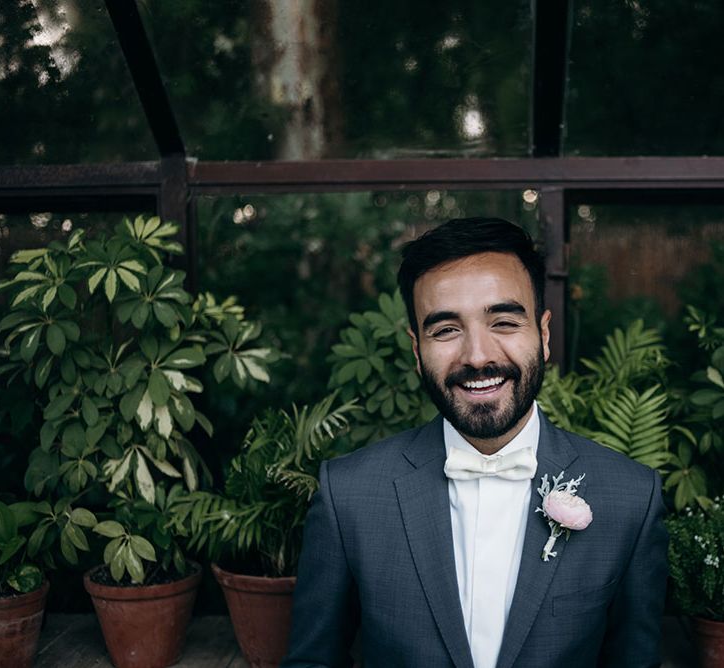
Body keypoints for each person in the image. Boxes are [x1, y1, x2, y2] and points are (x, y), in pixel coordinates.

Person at [282, 217, 668, 668]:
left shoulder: (631, 499)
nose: (478, 356)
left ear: (543, 336)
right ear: (416, 349)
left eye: (503, 321)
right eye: (446, 330)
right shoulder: (347, 495)